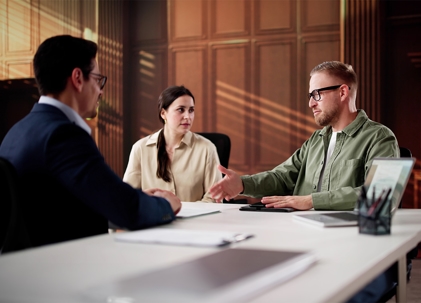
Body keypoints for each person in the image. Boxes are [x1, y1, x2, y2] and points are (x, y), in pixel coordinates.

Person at [209, 61, 399, 303]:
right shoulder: (316, 140)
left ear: (343, 92)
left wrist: (310, 201)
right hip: (306, 239)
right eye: (310, 96)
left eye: (317, 94)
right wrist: (243, 185)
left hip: (355, 247)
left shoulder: (379, 137)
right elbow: (283, 175)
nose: (311, 103)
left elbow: (382, 195)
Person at [0, 35, 181, 248]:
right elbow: (129, 212)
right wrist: (166, 204)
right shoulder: (63, 134)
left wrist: (132, 197)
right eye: (97, 80)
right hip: (71, 265)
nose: (101, 90)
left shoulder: (17, 131)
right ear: (77, 78)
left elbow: (69, 203)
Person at [123, 85, 222, 202]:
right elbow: (129, 196)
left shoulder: (207, 148)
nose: (188, 116)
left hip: (196, 219)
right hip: (155, 219)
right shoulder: (140, 149)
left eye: (191, 110)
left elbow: (214, 198)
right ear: (163, 113)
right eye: (181, 109)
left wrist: (185, 213)